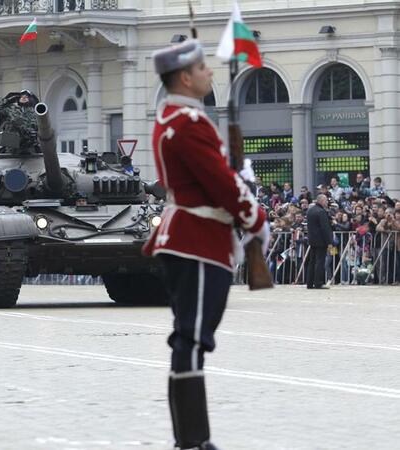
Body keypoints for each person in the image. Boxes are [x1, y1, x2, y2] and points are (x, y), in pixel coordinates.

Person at [143, 39, 269, 450]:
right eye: (202, 68)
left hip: (187, 236)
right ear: (185, 77)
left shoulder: (173, 118)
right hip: (196, 240)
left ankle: (191, 439)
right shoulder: (190, 123)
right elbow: (217, 182)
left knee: (189, 339)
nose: (210, 72)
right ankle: (194, 441)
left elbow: (212, 177)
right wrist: (254, 215)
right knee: (191, 339)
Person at [306, 194, 333, 289]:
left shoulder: (310, 210)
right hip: (321, 240)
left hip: (312, 240)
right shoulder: (321, 212)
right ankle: (318, 282)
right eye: (325, 201)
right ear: (321, 201)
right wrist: (330, 242)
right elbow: (325, 228)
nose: (327, 202)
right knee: (320, 262)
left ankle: (309, 283)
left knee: (312, 261)